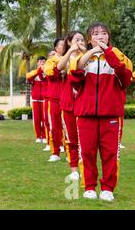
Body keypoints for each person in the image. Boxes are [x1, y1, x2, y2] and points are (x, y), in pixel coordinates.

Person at [70, 22, 132, 201]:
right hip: (86, 114)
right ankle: (89, 186)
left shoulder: (117, 56)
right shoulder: (82, 57)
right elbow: (75, 75)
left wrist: (107, 52)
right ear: (89, 39)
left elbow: (126, 77)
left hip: (111, 115)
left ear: (109, 37)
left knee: (110, 154)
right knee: (87, 153)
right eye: (95, 34)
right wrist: (92, 52)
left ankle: (108, 188)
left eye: (104, 33)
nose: (100, 36)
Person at [57, 31, 87, 181]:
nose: (80, 41)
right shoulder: (68, 58)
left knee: (85, 140)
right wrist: (71, 51)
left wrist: (85, 52)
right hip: (68, 104)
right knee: (71, 139)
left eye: (82, 39)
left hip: (84, 105)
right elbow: (59, 67)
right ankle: (74, 168)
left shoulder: (88, 57)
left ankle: (85, 168)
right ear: (69, 42)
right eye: (76, 39)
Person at [43, 39, 66, 162]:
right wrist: (59, 68)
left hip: (68, 98)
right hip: (54, 98)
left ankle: (70, 153)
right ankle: (55, 152)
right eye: (61, 45)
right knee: (54, 126)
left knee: (68, 127)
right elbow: (49, 73)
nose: (64, 47)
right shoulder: (50, 61)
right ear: (56, 48)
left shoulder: (72, 59)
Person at [26, 56, 47, 143]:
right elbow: (28, 78)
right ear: (37, 63)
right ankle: (38, 136)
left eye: (43, 62)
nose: (42, 63)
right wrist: (39, 71)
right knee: (37, 119)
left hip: (45, 99)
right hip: (35, 99)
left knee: (45, 119)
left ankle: (45, 136)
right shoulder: (33, 73)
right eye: (40, 62)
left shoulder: (47, 72)